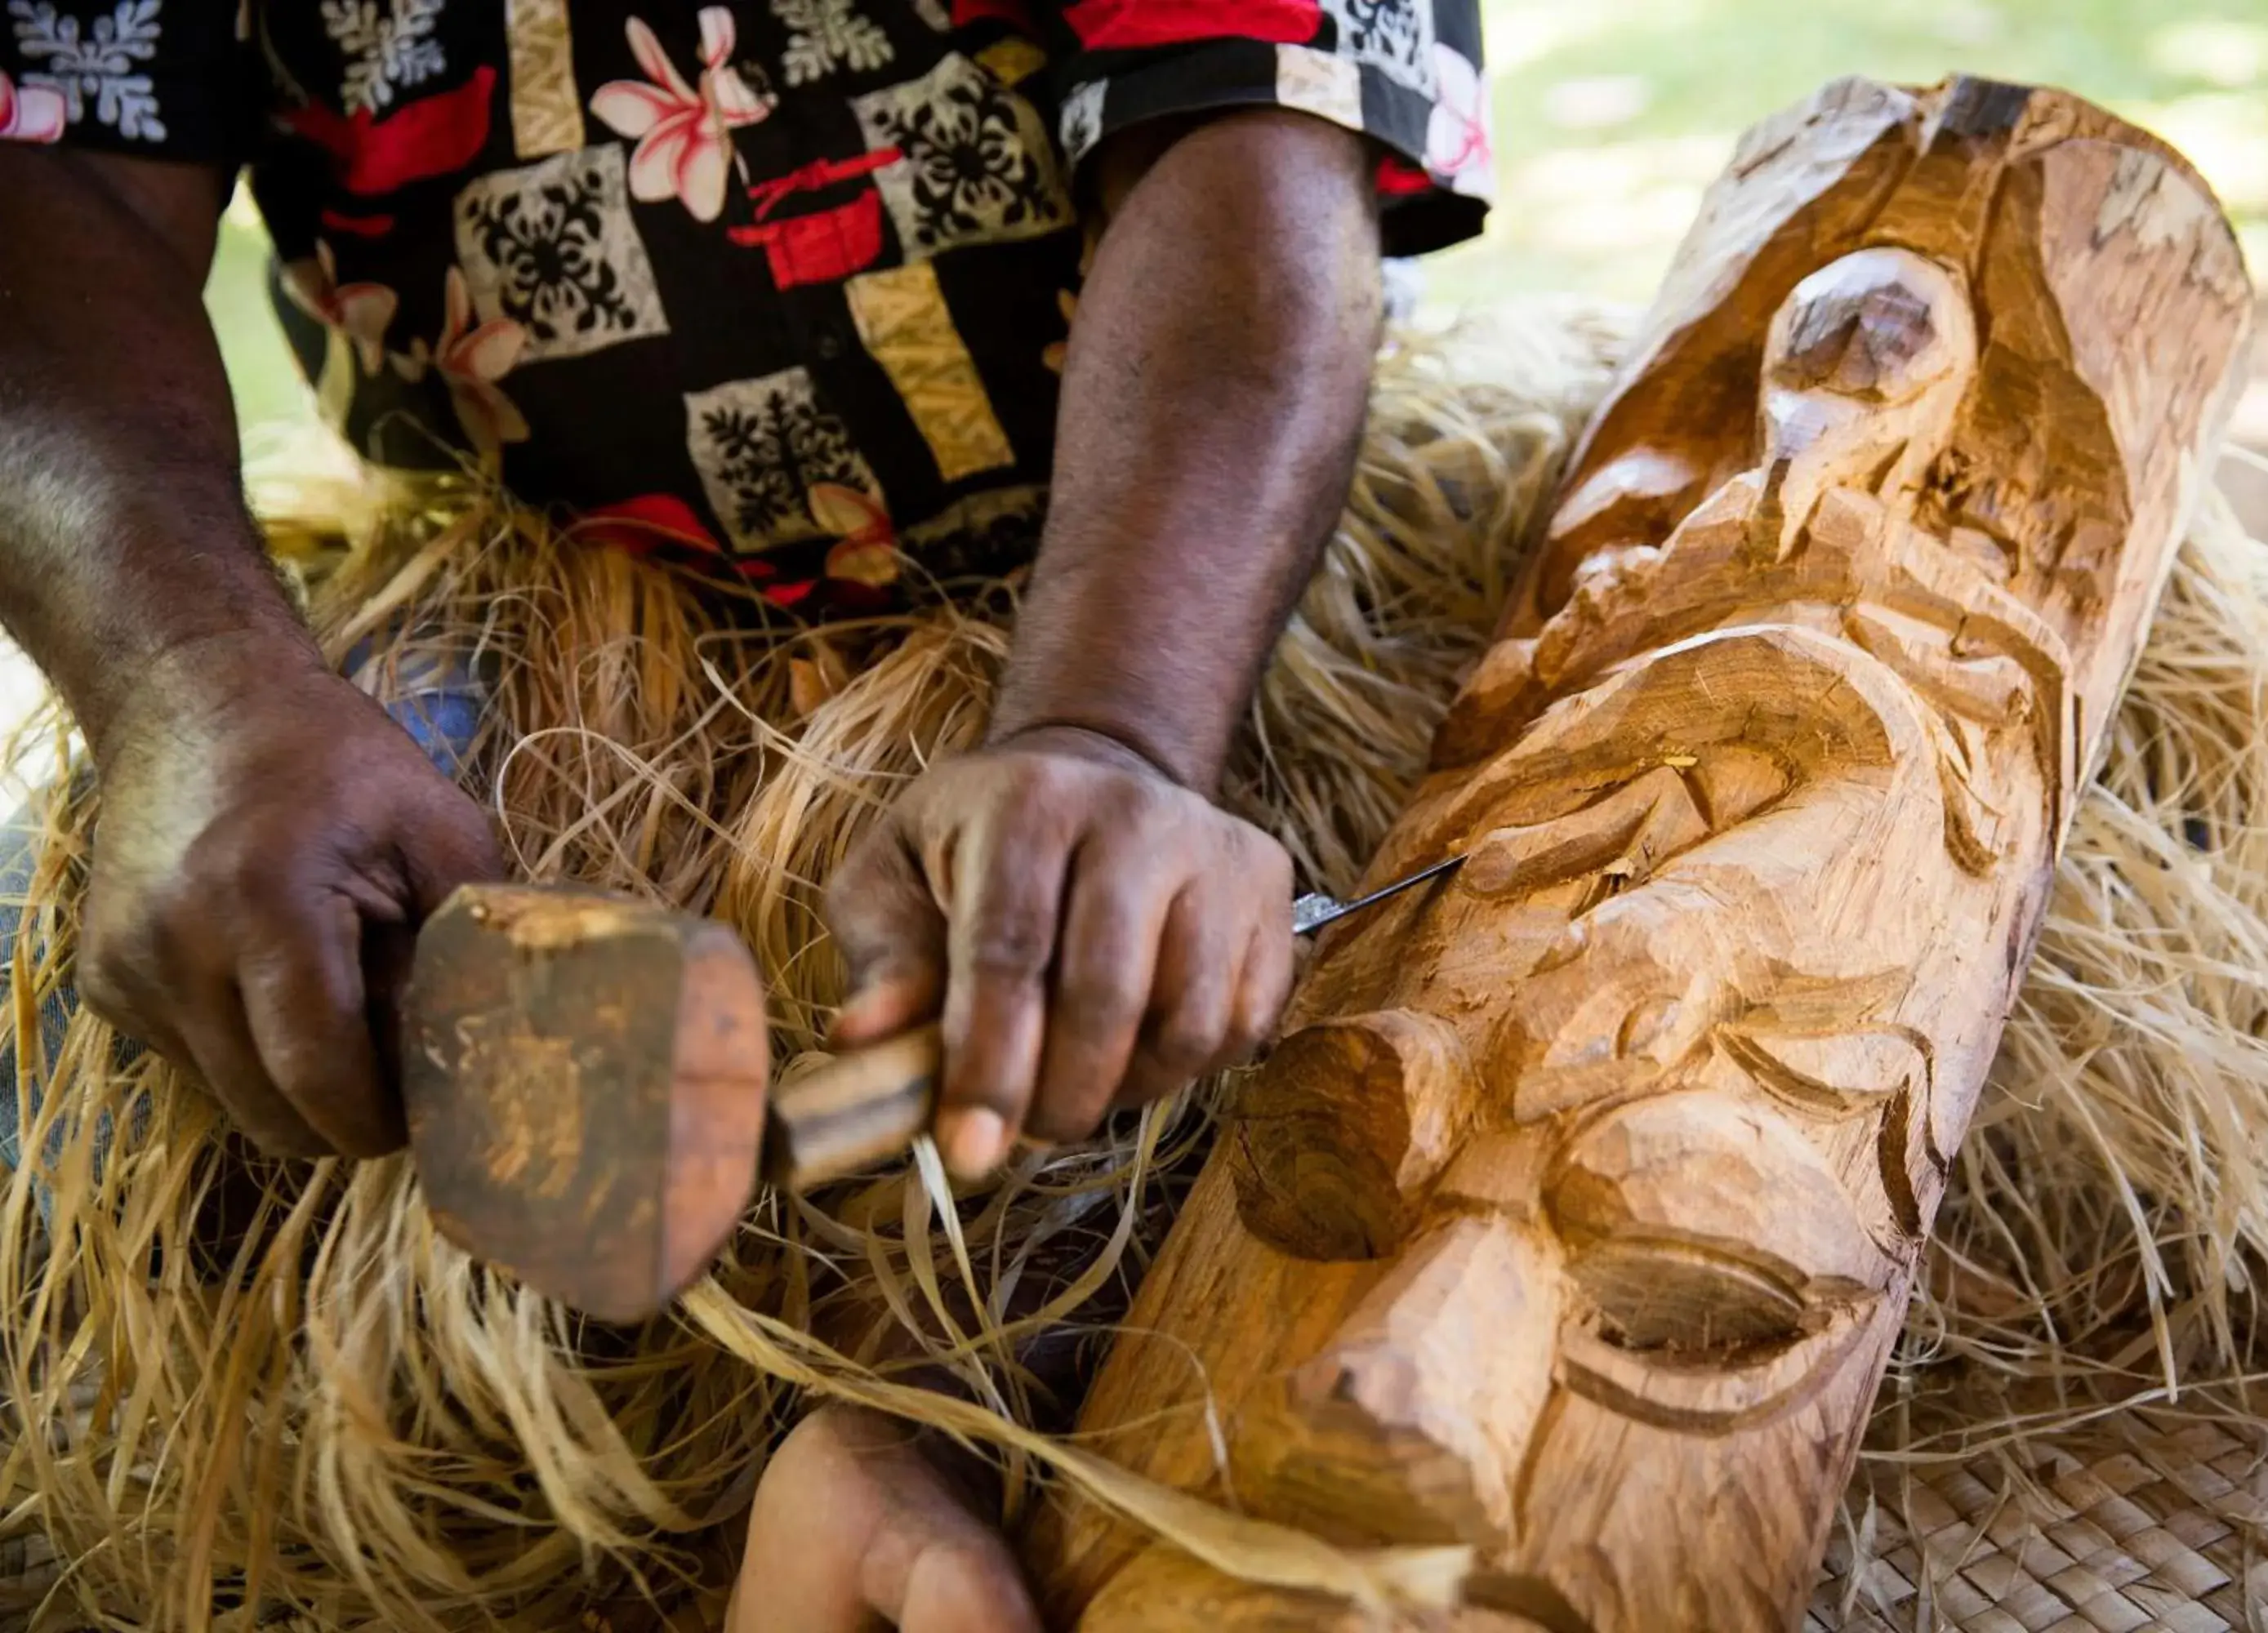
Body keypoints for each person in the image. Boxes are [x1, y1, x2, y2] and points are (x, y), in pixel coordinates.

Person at [0, 0, 1489, 1625]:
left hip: (1172, 593)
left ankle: (922, 1433)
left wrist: (1115, 731)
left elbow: (1255, 100)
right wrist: (196, 688)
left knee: (1292, 1102)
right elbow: (47, 171)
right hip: (510, 624)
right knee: (138, 1144)